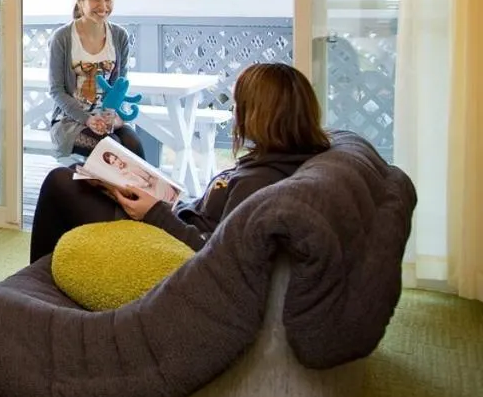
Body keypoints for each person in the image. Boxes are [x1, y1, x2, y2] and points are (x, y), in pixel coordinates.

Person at [29, 61, 331, 263]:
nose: (237, 113)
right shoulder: (273, 160)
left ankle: (35, 286)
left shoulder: (258, 182)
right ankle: (50, 277)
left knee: (60, 182)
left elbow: (213, 254)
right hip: (170, 220)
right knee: (77, 174)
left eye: (241, 105)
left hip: (165, 243)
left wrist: (155, 212)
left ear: (263, 115)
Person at [46, 0, 145, 161]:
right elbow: (56, 90)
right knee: (112, 150)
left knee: (133, 143)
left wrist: (112, 116)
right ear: (80, 1)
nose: (103, 6)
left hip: (106, 117)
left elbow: (119, 85)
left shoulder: (119, 36)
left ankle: (149, 191)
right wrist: (88, 119)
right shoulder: (62, 38)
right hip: (70, 121)